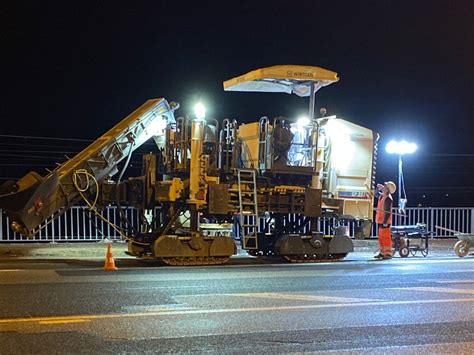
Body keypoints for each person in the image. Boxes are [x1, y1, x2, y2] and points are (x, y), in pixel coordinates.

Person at [374, 181, 396, 260]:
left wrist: (385, 221)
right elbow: (376, 194)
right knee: (381, 237)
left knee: (385, 237)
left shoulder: (388, 198)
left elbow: (387, 212)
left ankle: (388, 253)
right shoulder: (382, 196)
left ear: (387, 189)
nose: (383, 186)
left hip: (385, 222)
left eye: (385, 186)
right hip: (380, 220)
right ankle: (382, 252)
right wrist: (377, 188)